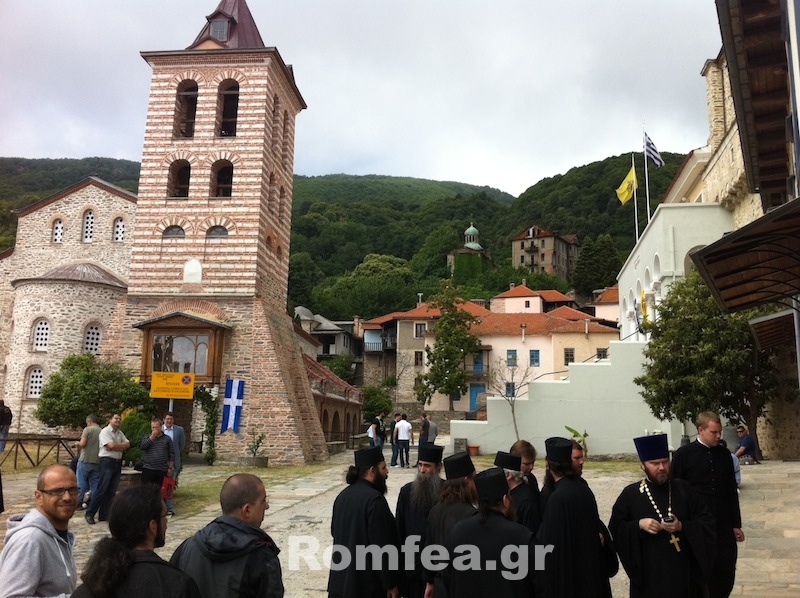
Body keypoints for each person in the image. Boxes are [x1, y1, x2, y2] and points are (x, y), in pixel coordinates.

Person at [609, 433, 715, 597]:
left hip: (684, 575)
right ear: (642, 465)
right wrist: (638, 525)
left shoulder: (683, 489)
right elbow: (615, 530)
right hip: (650, 576)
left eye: (665, 461)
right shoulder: (630, 495)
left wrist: (682, 526)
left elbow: (707, 522)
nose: (661, 467)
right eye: (654, 463)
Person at [72, 485, 200, 598]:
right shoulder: (177, 584)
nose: (166, 522)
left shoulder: (93, 584)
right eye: (164, 516)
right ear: (153, 526)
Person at [170, 473, 283, 598]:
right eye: (263, 501)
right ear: (247, 510)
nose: (267, 506)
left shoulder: (187, 547)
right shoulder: (261, 557)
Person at [671, 412, 744, 598]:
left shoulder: (724, 455)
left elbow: (731, 490)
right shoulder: (683, 455)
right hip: (696, 524)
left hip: (722, 522)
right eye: (714, 432)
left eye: (720, 432)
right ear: (700, 430)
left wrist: (736, 524)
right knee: (700, 568)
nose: (719, 436)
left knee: (725, 566)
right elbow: (674, 490)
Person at [536, 437, 615, 597]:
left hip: (570, 574)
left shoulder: (558, 498)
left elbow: (548, 543)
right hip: (589, 570)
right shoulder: (580, 488)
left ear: (549, 465)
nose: (581, 462)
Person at [442, 467, 536, 597]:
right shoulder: (523, 537)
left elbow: (447, 578)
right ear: (505, 500)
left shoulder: (457, 532)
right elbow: (540, 585)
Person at [328, 446, 399, 598]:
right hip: (365, 587)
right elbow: (382, 546)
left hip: (340, 584)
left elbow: (335, 532)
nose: (387, 472)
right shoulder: (374, 500)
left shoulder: (342, 496)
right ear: (372, 471)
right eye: (383, 468)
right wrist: (390, 583)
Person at [0, 464, 78, 597]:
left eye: (72, 490)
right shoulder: (30, 540)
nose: (67, 497)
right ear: (39, 497)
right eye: (57, 491)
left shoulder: (61, 536)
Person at [423, 451, 478, 598]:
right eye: (474, 479)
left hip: (440, 588)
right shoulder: (471, 515)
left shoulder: (435, 510)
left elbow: (428, 550)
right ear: (467, 481)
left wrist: (430, 582)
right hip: (462, 588)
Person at [395, 444, 443, 597]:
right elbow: (399, 530)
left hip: (437, 570)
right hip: (412, 570)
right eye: (420, 465)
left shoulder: (446, 492)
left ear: (438, 467)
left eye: (427, 466)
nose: (422, 470)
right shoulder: (406, 492)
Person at [85, 413, 131, 525]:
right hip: (107, 462)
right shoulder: (105, 431)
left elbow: (128, 444)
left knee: (111, 491)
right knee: (102, 489)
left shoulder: (120, 433)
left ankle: (104, 514)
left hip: (117, 462)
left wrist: (115, 446)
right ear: (110, 420)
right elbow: (110, 446)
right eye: (116, 418)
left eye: (119, 419)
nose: (118, 420)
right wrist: (119, 446)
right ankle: (90, 513)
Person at [494, 450, 541, 534]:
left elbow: (530, 532)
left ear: (508, 475)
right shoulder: (504, 492)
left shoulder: (527, 500)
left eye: (497, 473)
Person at [139, 418, 175, 490]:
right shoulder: (147, 437)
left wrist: (170, 468)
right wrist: (152, 437)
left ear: (161, 427)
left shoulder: (167, 439)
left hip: (162, 469)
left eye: (156, 427)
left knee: (159, 491)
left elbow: (171, 454)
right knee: (146, 490)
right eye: (153, 427)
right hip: (148, 468)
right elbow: (142, 447)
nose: (154, 429)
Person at [76, 414, 101, 511]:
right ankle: (94, 503)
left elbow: (83, 443)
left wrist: (77, 444)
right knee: (95, 483)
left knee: (81, 482)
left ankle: (79, 502)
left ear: (89, 422)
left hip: (85, 459)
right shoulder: (102, 431)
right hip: (97, 460)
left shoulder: (88, 430)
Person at [162, 412, 186, 515]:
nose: (169, 421)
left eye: (171, 419)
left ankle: (169, 507)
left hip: (173, 462)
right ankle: (161, 506)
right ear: (164, 420)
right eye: (167, 419)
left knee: (170, 484)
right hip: (160, 462)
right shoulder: (160, 429)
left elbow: (181, 445)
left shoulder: (179, 430)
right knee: (160, 484)